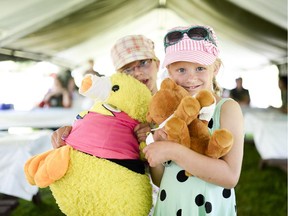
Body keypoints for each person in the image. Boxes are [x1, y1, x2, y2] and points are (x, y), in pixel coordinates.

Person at [50, 34, 160, 214]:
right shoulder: (109, 106)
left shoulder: (174, 103)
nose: (138, 72)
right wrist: (71, 133)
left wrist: (155, 131)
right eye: (127, 70)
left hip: (166, 195)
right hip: (120, 194)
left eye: (143, 62)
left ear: (157, 63)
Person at [143, 25, 244, 215]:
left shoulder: (227, 109)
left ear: (215, 68)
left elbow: (230, 177)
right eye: (181, 69)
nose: (191, 78)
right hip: (171, 206)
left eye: (200, 68)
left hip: (207, 209)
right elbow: (160, 179)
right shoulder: (168, 113)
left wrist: (173, 150)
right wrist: (157, 152)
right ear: (169, 72)